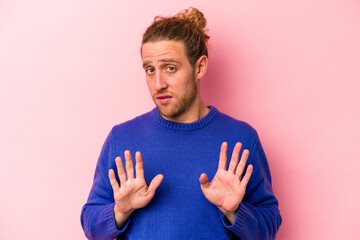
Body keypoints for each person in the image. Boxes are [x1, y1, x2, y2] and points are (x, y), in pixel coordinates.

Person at [81, 7, 282, 240]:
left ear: (199, 67)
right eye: (150, 69)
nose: (158, 84)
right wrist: (120, 211)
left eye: (170, 68)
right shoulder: (122, 138)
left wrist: (234, 211)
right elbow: (91, 226)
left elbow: (269, 227)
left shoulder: (241, 138)